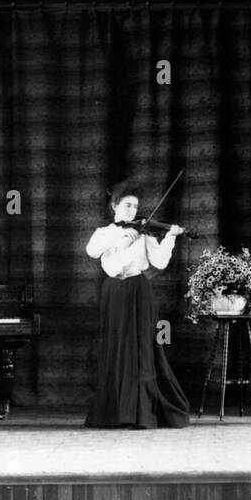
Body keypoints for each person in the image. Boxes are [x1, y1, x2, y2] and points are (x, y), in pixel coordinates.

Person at [83, 182, 190, 429]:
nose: (132, 211)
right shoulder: (104, 232)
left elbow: (160, 262)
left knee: (142, 347)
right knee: (117, 346)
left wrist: (170, 238)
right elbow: (92, 251)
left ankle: (141, 413)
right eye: (127, 205)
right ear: (114, 206)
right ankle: (115, 411)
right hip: (114, 292)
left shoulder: (144, 233)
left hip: (139, 289)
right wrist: (121, 238)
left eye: (136, 207)